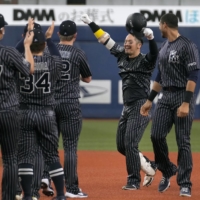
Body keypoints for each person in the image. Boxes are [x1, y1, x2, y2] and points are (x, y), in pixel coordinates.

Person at [81, 13, 158, 189]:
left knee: (131, 143)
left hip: (141, 106)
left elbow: (154, 53)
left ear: (139, 45)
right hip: (127, 107)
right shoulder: (122, 55)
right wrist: (91, 23)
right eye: (125, 41)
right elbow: (105, 39)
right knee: (121, 146)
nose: (126, 43)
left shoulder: (146, 61)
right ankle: (150, 165)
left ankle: (133, 181)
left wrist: (151, 38)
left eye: (130, 42)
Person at [140, 13, 200, 197]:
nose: (158, 27)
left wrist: (186, 103)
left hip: (182, 95)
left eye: (160, 24)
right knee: (156, 135)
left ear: (165, 25)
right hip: (165, 97)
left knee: (183, 141)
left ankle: (185, 183)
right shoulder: (164, 47)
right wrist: (150, 100)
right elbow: (160, 77)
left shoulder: (187, 45)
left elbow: (194, 75)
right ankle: (167, 170)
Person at [41, 19, 92, 198]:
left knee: (49, 145)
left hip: (49, 103)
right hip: (70, 103)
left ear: (58, 35)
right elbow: (87, 79)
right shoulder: (78, 53)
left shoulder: (48, 50)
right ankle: (71, 188)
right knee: (70, 147)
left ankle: (45, 178)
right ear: (75, 35)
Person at [16, 26, 66, 200]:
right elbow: (57, 56)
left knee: (25, 156)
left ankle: (28, 195)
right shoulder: (53, 62)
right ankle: (60, 195)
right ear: (44, 45)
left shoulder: (20, 61)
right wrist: (50, 39)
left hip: (25, 113)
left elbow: (13, 53)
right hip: (46, 114)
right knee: (52, 155)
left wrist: (25, 43)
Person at [0, 14, 34, 200]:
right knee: (10, 158)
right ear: (1, 32)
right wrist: (27, 45)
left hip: (8, 111)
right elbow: (28, 69)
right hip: (8, 111)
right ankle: (7, 197)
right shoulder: (8, 53)